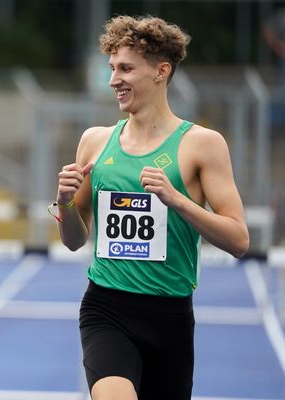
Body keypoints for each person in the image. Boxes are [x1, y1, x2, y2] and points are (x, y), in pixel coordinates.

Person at [52, 16, 249, 400]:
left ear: (162, 71)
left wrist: (177, 200)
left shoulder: (202, 144)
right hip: (105, 307)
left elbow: (239, 239)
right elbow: (74, 240)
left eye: (126, 68)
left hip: (169, 316)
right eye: (112, 69)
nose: (114, 80)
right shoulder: (94, 141)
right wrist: (62, 202)